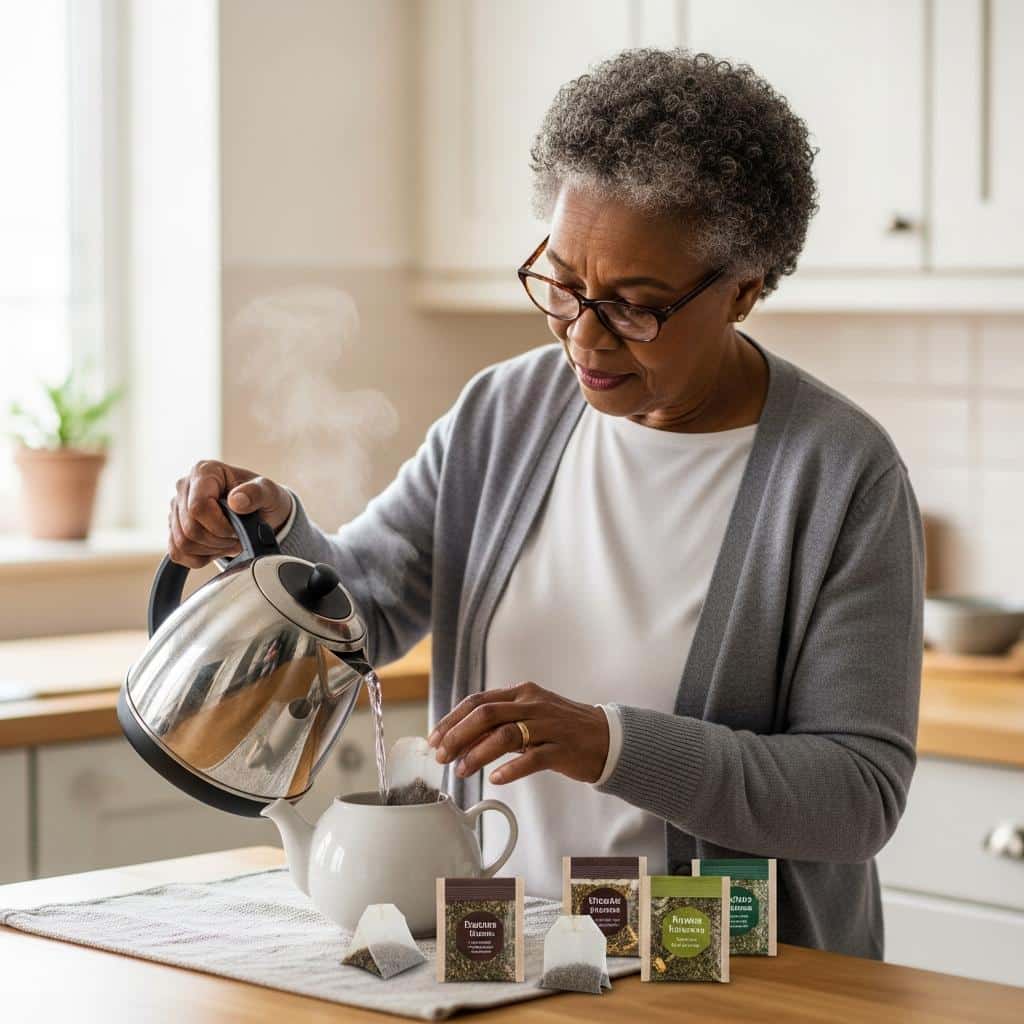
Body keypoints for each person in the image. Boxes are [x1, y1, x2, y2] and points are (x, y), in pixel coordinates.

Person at [168, 49, 923, 959]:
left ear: (743, 291)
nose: (584, 337)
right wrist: (271, 533)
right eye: (563, 285)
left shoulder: (841, 476)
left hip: (728, 979)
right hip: (502, 962)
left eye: (635, 307)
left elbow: (856, 796)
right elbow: (366, 605)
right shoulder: (504, 414)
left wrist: (609, 743)